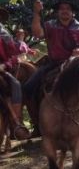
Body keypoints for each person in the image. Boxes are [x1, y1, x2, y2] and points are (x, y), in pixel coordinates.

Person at [23, 0, 79, 137]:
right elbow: (37, 33)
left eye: (68, 8)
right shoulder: (50, 25)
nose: (64, 11)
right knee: (28, 88)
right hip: (54, 63)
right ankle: (38, 124)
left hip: (77, 64)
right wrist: (37, 13)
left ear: (72, 12)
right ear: (58, 12)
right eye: (61, 8)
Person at [0, 7, 30, 140]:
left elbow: (13, 56)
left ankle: (16, 123)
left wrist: (4, 65)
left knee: (16, 84)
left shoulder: (5, 35)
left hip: (2, 68)